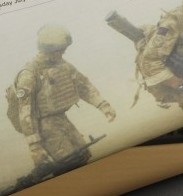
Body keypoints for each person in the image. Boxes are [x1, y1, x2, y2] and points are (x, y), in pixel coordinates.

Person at [9, 25, 116, 184]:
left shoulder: (62, 65)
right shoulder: (29, 74)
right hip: (44, 126)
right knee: (69, 164)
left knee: (82, 156)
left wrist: (103, 105)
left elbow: (83, 85)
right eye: (60, 49)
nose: (63, 52)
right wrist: (35, 146)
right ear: (48, 49)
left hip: (61, 119)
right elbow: (25, 112)